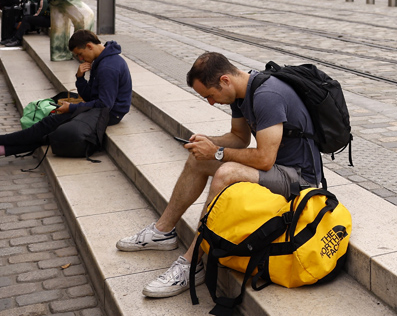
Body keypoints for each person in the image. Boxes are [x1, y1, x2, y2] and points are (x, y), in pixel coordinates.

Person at [122, 52, 321, 299]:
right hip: (275, 169)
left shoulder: (267, 96)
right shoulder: (241, 94)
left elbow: (264, 159)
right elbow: (239, 138)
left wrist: (216, 153)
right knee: (198, 159)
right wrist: (209, 141)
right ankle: (163, 232)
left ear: (225, 80)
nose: (211, 103)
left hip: (299, 180)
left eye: (210, 95)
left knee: (226, 172)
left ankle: (192, 263)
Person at [0, 30, 132, 165]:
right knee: (50, 125)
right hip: (101, 108)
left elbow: (105, 104)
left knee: (50, 124)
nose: (80, 59)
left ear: (89, 46)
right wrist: (80, 78)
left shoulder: (108, 67)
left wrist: (71, 108)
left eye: (80, 54)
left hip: (110, 114)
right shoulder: (100, 61)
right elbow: (90, 97)